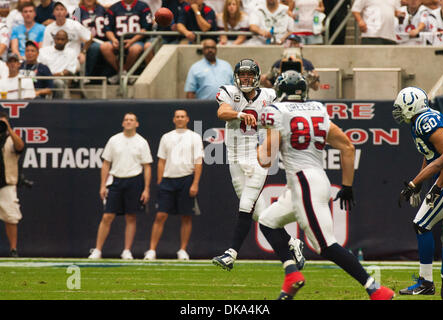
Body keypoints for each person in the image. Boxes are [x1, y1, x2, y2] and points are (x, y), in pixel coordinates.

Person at [256, 70, 394, 300]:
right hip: (313, 179)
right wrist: (347, 185)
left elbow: (265, 159)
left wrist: (258, 142)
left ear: (280, 92)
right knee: (268, 222)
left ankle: (375, 289)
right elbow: (348, 147)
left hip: (303, 182)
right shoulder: (318, 109)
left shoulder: (276, 112)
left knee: (325, 246)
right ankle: (291, 275)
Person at [212, 59, 305, 272]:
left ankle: (231, 253)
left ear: (256, 77)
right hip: (235, 157)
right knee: (259, 214)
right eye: (242, 74)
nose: (245, 78)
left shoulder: (269, 95)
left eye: (249, 75)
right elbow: (222, 113)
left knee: (246, 204)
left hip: (258, 155)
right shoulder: (228, 92)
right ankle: (292, 242)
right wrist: (240, 114)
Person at [393, 86, 443, 300]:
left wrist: (433, 186)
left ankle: (427, 283)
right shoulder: (422, 120)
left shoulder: (425, 121)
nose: (398, 112)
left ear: (411, 105)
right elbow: (430, 154)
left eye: (401, 107)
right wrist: (419, 182)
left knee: (421, 224)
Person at [89, 112, 152, 260]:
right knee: (107, 216)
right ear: (123, 123)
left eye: (131, 120)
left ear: (137, 124)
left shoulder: (142, 142)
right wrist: (102, 185)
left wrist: (146, 189)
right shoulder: (114, 140)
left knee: (131, 217)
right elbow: (106, 164)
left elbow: (147, 166)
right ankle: (97, 250)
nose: (128, 122)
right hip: (116, 181)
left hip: (135, 181)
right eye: (126, 120)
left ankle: (127, 251)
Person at [144, 109, 204, 261]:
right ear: (174, 119)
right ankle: (151, 250)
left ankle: (182, 250)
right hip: (168, 181)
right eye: (177, 116)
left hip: (187, 180)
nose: (180, 119)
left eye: (182, 116)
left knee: (186, 217)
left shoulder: (195, 137)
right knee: (160, 215)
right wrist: (160, 181)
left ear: (187, 119)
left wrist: (195, 183)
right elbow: (161, 161)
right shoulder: (166, 137)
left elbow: (198, 161)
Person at [101, 0, 153, 84]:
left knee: (135, 49)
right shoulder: (114, 8)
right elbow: (107, 29)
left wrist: (132, 41)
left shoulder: (143, 6)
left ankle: (121, 74)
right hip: (118, 40)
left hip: (136, 40)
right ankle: (122, 73)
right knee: (105, 46)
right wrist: (113, 40)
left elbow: (146, 28)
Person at [0, 111, 25, 257]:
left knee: (11, 216)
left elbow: (20, 146)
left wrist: (7, 128)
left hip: (7, 182)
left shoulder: (11, 139)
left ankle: (13, 249)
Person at [42, 1, 92, 73]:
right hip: (54, 58)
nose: (59, 12)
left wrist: (83, 52)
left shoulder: (74, 25)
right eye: (57, 9)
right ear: (53, 12)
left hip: (72, 58)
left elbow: (89, 37)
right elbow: (45, 48)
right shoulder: (49, 28)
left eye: (62, 9)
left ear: (66, 12)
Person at [38, 30, 78, 99]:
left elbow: (70, 70)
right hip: (44, 78)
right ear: (54, 39)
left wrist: (56, 75)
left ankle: (57, 105)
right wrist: (48, 76)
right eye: (58, 39)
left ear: (67, 41)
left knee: (58, 82)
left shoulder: (71, 52)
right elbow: (39, 66)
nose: (60, 41)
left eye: (62, 39)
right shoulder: (44, 51)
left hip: (61, 78)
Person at [72, 0, 107, 78]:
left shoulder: (102, 9)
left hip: (100, 40)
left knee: (95, 47)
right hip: (84, 40)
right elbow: (73, 27)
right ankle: (78, 74)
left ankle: (86, 74)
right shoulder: (77, 11)